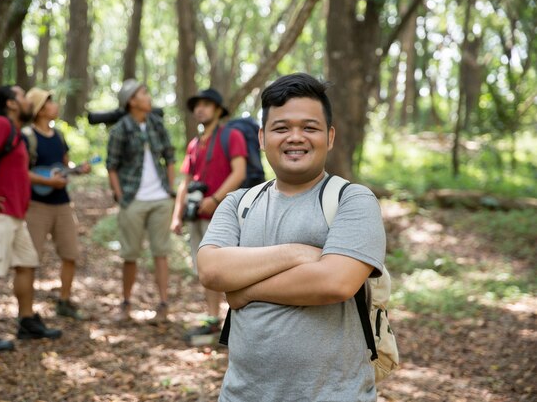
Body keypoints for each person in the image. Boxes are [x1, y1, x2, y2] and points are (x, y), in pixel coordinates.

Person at [196, 73, 386, 401]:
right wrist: (297, 254)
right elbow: (211, 269)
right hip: (241, 395)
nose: (295, 137)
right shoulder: (237, 203)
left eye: (309, 128)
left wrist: (243, 291)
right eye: (281, 128)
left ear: (329, 136)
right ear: (261, 137)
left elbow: (335, 283)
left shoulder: (352, 200)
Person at [0, 85, 62, 351]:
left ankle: (27, 321)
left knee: (26, 263)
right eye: (21, 96)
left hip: (13, 215)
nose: (27, 100)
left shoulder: (15, 130)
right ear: (10, 103)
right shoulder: (0, 124)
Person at [170, 88, 247, 341]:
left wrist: (215, 199)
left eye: (206, 104)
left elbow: (239, 172)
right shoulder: (195, 144)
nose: (200, 109)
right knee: (207, 271)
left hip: (224, 215)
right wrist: (177, 214)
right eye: (197, 105)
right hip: (197, 216)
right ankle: (214, 320)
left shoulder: (231, 136)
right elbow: (185, 181)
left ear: (217, 109)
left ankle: (240, 321)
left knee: (231, 271)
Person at [106, 79, 176, 324]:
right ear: (132, 101)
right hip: (132, 199)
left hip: (160, 199)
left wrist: (169, 189)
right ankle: (125, 303)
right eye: (144, 93)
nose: (148, 97)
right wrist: (120, 195)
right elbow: (111, 165)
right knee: (130, 254)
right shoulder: (120, 129)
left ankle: (164, 304)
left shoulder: (157, 124)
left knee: (161, 252)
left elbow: (169, 156)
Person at [23, 87, 91, 320]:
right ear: (40, 110)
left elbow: (64, 165)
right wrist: (47, 182)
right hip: (36, 205)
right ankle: (27, 310)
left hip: (63, 205)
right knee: (30, 259)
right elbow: (22, 172)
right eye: (50, 102)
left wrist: (78, 170)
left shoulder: (59, 136)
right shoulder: (27, 137)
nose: (55, 105)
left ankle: (64, 300)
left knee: (70, 254)